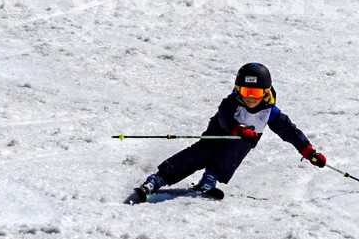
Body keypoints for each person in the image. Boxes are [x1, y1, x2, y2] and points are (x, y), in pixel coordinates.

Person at [125, 62, 326, 204]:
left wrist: (309, 152)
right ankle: (158, 179)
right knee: (198, 154)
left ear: (265, 92)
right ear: (238, 89)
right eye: (246, 91)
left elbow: (290, 131)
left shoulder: (269, 112)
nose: (250, 98)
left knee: (236, 149)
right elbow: (225, 117)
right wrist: (238, 128)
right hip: (217, 135)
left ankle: (209, 180)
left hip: (239, 144)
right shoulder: (231, 103)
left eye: (255, 93)